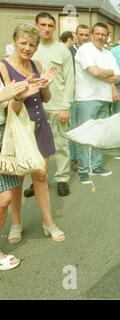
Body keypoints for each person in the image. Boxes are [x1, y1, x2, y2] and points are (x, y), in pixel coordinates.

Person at [0, 23, 64, 243]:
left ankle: (48, 222)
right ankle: (16, 224)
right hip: (19, 129)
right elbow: (10, 109)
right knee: (17, 177)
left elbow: (45, 99)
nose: (28, 48)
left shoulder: (37, 64)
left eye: (32, 45)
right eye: (23, 43)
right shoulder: (3, 67)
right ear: (15, 41)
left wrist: (45, 85)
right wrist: (22, 93)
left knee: (41, 175)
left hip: (39, 125)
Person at [28, 12, 75, 198]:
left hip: (57, 106)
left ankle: (62, 178)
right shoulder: (31, 49)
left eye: (50, 25)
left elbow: (70, 80)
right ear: (36, 25)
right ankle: (38, 179)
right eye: (43, 24)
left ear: (54, 28)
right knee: (34, 146)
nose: (46, 28)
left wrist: (65, 106)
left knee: (61, 144)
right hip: (34, 106)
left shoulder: (62, 50)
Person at [74, 22, 120, 184]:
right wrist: (108, 72)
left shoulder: (108, 54)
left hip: (104, 98)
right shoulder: (84, 50)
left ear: (107, 36)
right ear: (92, 34)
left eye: (104, 34)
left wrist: (102, 73)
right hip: (87, 98)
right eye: (98, 34)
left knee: (99, 134)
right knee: (85, 135)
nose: (101, 37)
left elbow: (118, 77)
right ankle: (83, 170)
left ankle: (96, 165)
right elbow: (93, 72)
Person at [0, 75, 38, 270]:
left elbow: (8, 112)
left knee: (4, 199)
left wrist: (19, 97)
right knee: (4, 199)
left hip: (3, 136)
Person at [68, 24, 90, 172]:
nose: (83, 37)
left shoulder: (91, 52)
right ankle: (74, 158)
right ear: (76, 35)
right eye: (81, 34)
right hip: (73, 95)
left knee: (86, 127)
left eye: (86, 35)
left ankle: (86, 157)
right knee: (74, 127)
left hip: (88, 95)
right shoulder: (69, 51)